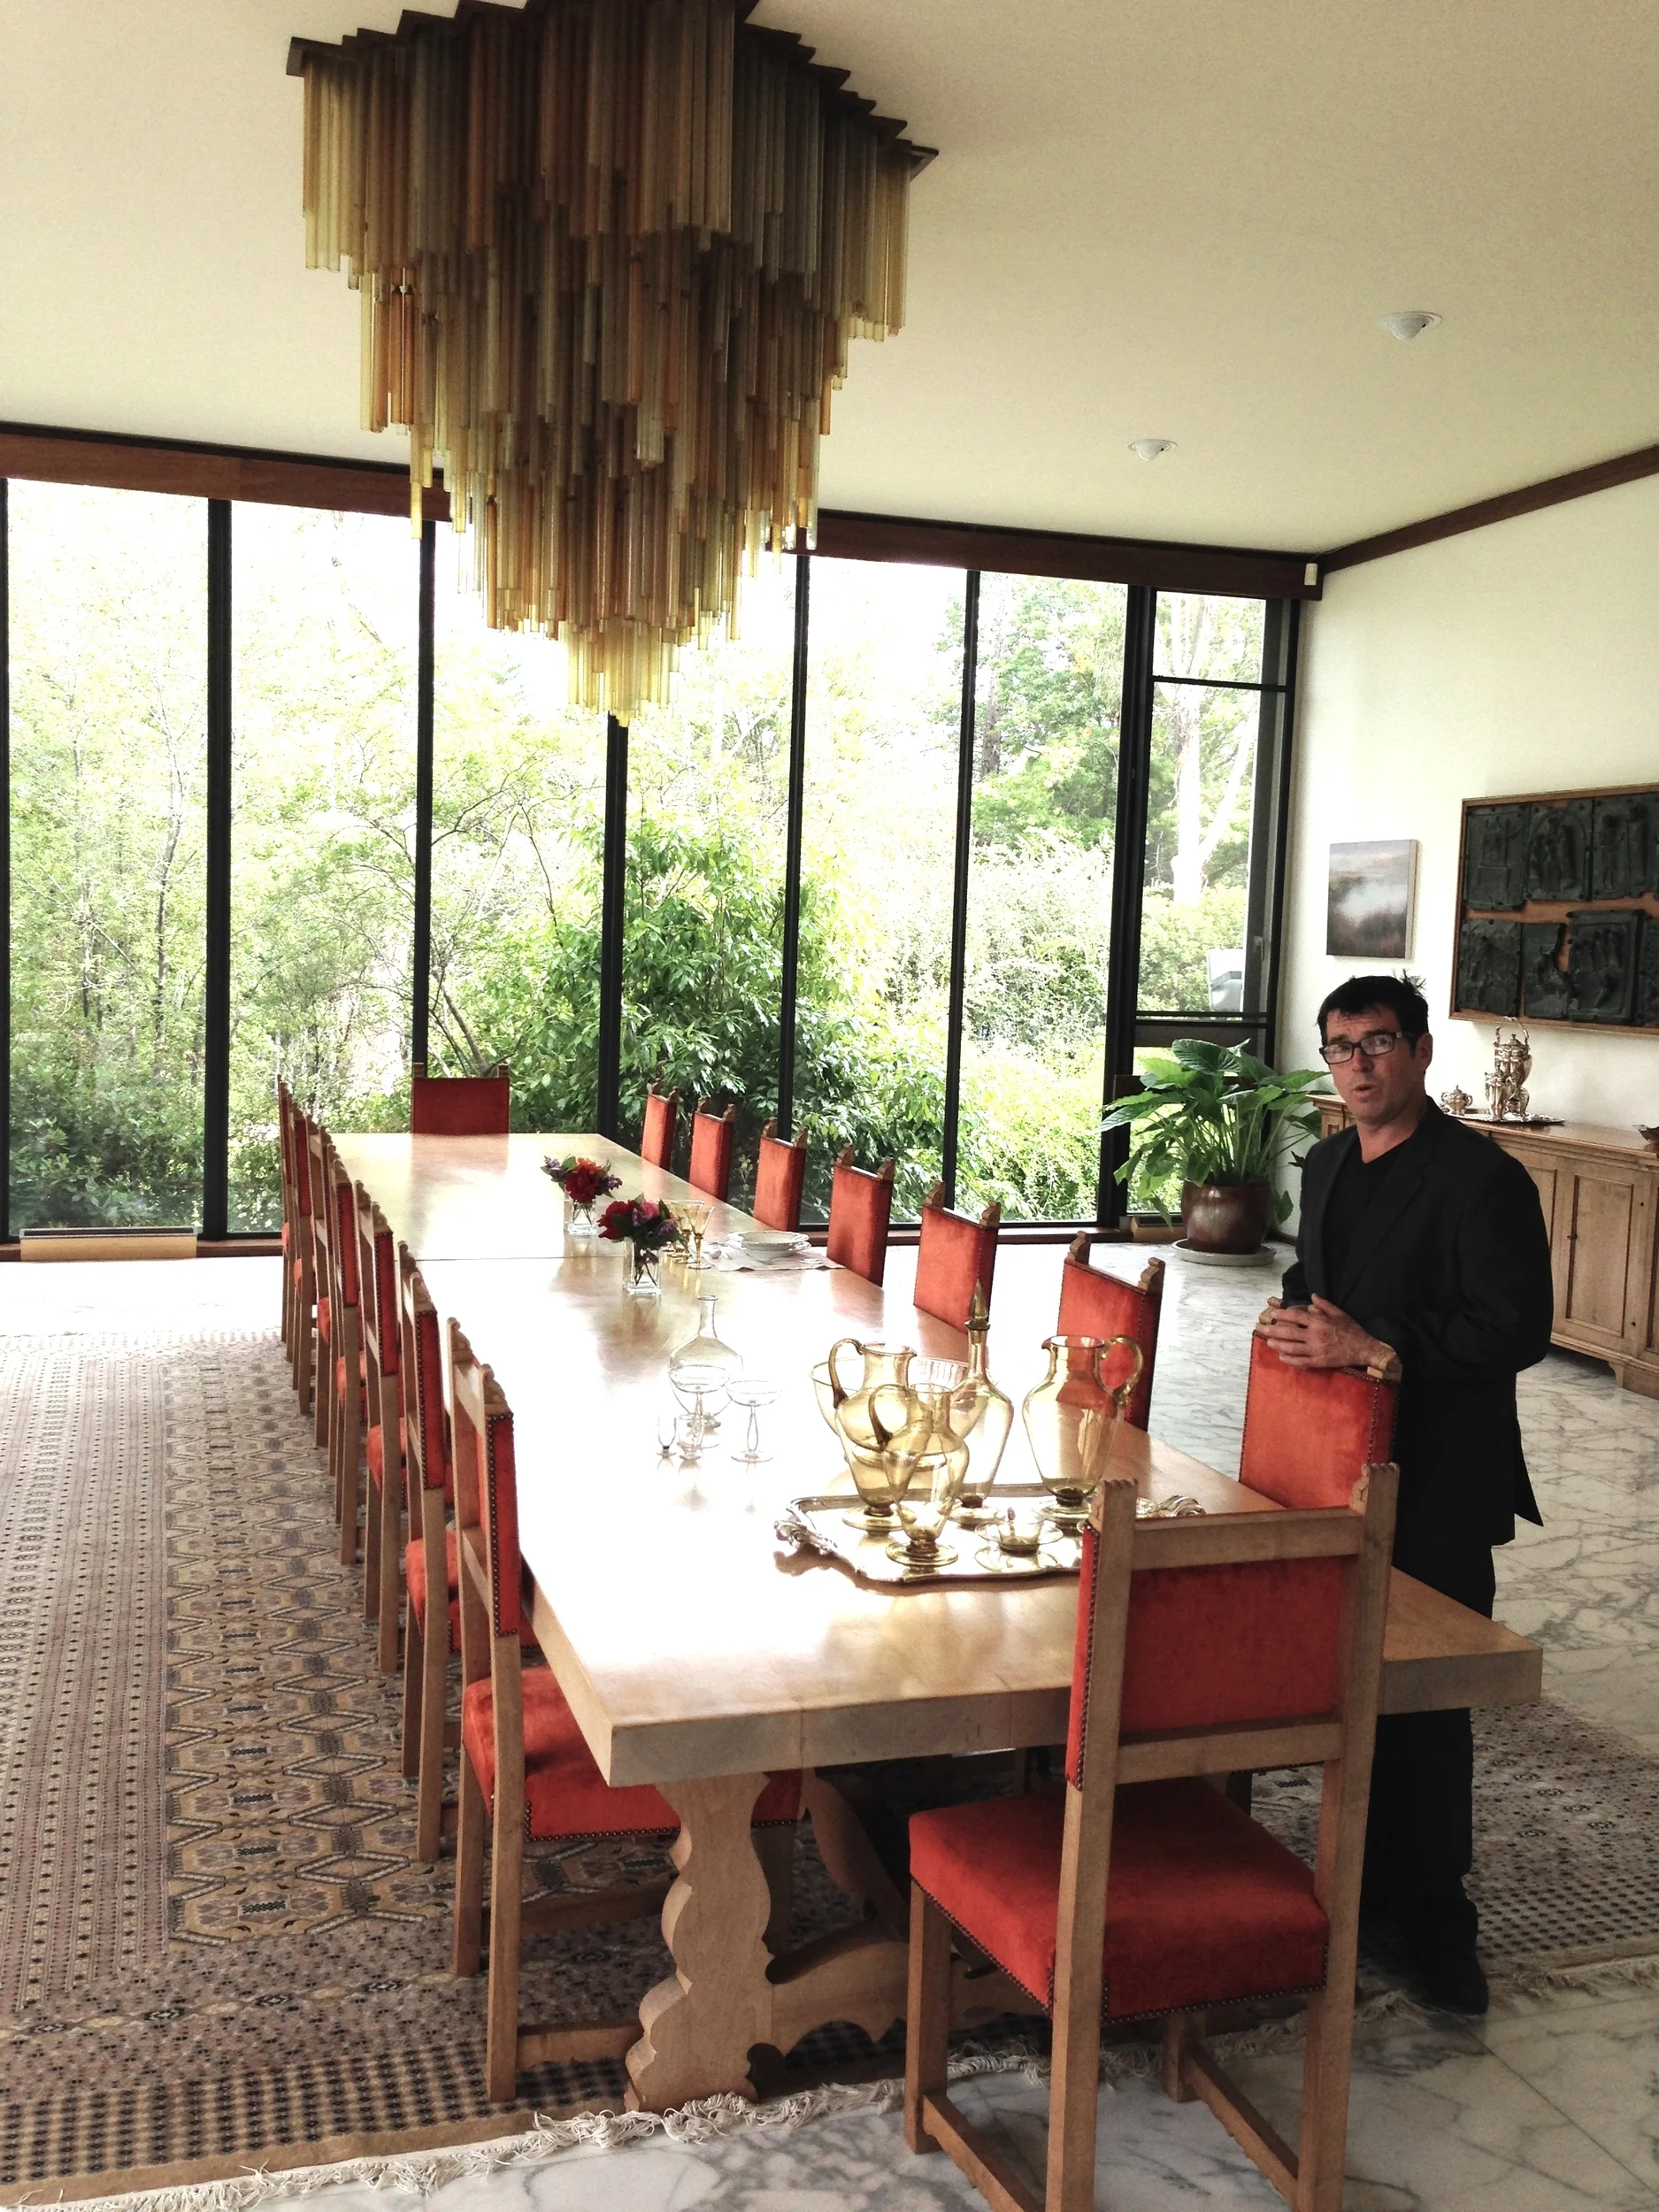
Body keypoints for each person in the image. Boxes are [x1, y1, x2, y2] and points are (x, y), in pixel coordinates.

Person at [1264, 972, 1553, 2014]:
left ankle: (1438, 1919)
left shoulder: (1483, 1180)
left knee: (1427, 1707)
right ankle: (1367, 1883)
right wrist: (1295, 1321)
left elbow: (1515, 1328)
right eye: (1341, 1047)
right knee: (1350, 1685)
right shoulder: (1329, 1162)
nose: (1359, 1065)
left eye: (1379, 1042)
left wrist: (1376, 1347)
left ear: (1423, 1050)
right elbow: (1320, 1286)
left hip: (1441, 1477)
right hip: (1341, 1469)